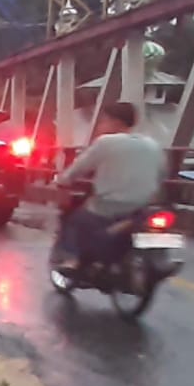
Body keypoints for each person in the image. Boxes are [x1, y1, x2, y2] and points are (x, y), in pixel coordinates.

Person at [53, 100, 166, 275]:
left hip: (111, 205)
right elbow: (162, 174)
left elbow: (80, 167)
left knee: (75, 220)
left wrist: (63, 179)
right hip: (144, 205)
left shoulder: (105, 142)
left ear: (115, 121)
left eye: (104, 120)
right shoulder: (153, 145)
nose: (100, 124)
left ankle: (73, 260)